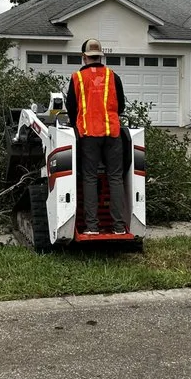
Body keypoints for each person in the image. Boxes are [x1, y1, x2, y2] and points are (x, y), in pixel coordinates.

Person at [66, 38, 126, 235]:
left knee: (90, 178)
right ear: (101, 56)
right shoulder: (112, 76)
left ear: (84, 57)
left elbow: (72, 109)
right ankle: (118, 227)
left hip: (89, 134)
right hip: (113, 134)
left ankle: (92, 227)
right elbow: (121, 107)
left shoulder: (77, 78)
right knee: (115, 177)